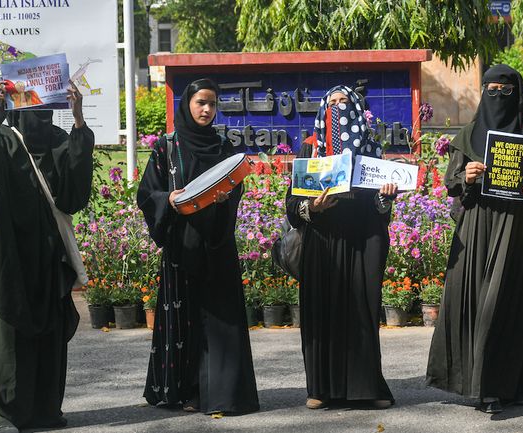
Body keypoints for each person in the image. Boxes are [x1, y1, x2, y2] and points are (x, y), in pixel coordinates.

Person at [426, 65, 523, 414]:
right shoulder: (469, 134)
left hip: (518, 229)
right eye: (491, 89)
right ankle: (480, 385)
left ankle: (507, 385)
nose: (498, 96)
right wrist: (467, 175)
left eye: (506, 90)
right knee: (474, 302)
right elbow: (452, 183)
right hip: (476, 228)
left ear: (518, 95)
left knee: (507, 304)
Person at [0, 81, 93, 433]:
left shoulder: (59, 140)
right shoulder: (3, 138)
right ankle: (3, 415)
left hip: (48, 253)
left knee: (50, 327)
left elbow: (73, 195)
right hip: (10, 249)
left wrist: (78, 120)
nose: (35, 111)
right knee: (8, 325)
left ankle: (44, 409)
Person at [137, 78, 259, 415]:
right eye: (200, 102)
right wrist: (169, 199)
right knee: (185, 318)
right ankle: (186, 390)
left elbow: (234, 184)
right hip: (183, 246)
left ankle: (223, 394)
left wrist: (225, 198)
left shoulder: (222, 146)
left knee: (221, 319)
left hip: (217, 243)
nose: (206, 110)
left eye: (212, 104)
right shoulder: (167, 146)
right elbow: (147, 193)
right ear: (187, 104)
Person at [285, 85, 398, 410]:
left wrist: (385, 197)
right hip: (321, 243)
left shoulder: (371, 149)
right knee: (321, 313)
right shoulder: (310, 150)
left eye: (344, 102)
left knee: (361, 312)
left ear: (357, 108)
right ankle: (321, 389)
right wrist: (312, 208)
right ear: (323, 111)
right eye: (332, 103)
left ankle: (366, 388)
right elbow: (292, 206)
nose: (338, 108)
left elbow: (379, 208)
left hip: (362, 241)